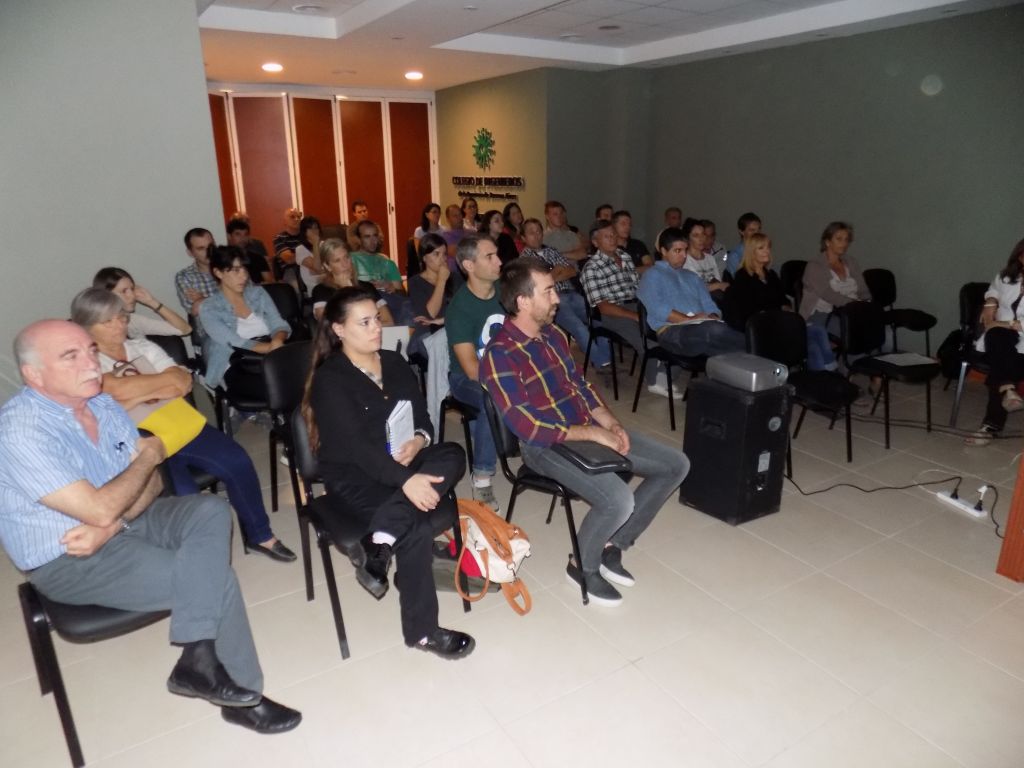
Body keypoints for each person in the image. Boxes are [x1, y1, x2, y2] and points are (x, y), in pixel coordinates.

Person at [0, 319, 301, 733]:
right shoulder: (20, 430)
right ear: (33, 375)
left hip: (123, 523)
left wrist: (113, 520)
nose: (90, 363)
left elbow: (153, 484)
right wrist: (147, 456)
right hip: (68, 557)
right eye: (71, 356)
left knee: (209, 510)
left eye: (90, 350)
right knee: (217, 580)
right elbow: (112, 496)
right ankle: (243, 697)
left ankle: (197, 657)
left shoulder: (102, 404)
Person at [481, 258, 689, 606]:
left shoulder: (553, 336)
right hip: (544, 446)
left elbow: (580, 386)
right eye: (548, 291)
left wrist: (610, 423)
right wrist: (593, 434)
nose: (557, 298)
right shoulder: (500, 355)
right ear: (523, 301)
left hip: (585, 430)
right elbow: (527, 426)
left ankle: (612, 544)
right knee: (618, 500)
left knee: (675, 465)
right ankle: (581, 566)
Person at [304, 288, 475, 658]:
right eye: (364, 322)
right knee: (416, 524)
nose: (376, 328)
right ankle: (423, 633)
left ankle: (380, 540)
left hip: (402, 460)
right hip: (354, 475)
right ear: (338, 330)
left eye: (376, 319)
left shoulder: (394, 362)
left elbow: (423, 415)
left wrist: (418, 439)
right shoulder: (330, 379)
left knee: (452, 453)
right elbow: (356, 449)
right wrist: (407, 481)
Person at [71, 288, 296, 562]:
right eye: (107, 322)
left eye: (121, 317)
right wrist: (154, 388)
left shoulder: (142, 346)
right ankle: (200, 560)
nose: (119, 325)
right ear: (86, 328)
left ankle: (260, 535)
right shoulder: (84, 365)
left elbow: (181, 382)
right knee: (186, 495)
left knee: (237, 461)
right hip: (138, 442)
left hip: (178, 424)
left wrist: (127, 395)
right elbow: (108, 396)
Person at [446, 235, 505, 508]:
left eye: (497, 254)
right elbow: (471, 369)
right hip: (465, 378)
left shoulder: (506, 293)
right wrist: (510, 381)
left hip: (505, 370)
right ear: (469, 265)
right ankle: (481, 477)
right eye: (490, 257)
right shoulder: (459, 308)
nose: (499, 261)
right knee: (492, 399)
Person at [580, 219, 671, 395]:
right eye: (607, 237)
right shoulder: (591, 268)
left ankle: (665, 373)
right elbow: (604, 307)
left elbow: (639, 288)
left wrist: (649, 307)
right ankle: (655, 381)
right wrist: (636, 317)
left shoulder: (625, 257)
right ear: (595, 242)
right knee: (646, 339)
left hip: (636, 305)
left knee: (670, 329)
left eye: (614, 235)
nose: (613, 239)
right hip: (612, 313)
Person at [722, 233, 837, 371]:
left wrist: (787, 308)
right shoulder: (743, 277)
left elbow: (782, 299)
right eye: (761, 248)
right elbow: (748, 310)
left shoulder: (771, 275)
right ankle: (828, 371)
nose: (767, 251)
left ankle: (825, 374)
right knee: (814, 336)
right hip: (764, 327)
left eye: (768, 247)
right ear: (751, 252)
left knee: (813, 341)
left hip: (779, 321)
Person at [636, 227, 746, 359]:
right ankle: (754, 348)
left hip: (701, 329)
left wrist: (713, 316)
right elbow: (658, 309)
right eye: (678, 250)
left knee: (728, 349)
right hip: (671, 331)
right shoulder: (652, 275)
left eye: (685, 250)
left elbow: (709, 304)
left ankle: (751, 355)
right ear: (664, 251)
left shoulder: (692, 276)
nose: (684, 255)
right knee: (716, 332)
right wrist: (689, 319)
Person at [198, 246, 291, 400]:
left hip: (272, 357)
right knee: (281, 388)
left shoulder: (258, 293)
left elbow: (278, 323)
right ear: (218, 273)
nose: (243, 276)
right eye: (236, 271)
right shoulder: (209, 308)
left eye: (244, 269)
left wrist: (278, 340)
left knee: (304, 380)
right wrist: (271, 348)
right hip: (238, 362)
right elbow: (234, 342)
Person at [520, 217, 611, 368]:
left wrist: (551, 275)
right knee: (579, 327)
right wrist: (557, 270)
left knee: (599, 319)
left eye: (538, 231)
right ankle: (601, 361)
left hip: (572, 293)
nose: (536, 235)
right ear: (523, 238)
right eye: (531, 233)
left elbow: (571, 271)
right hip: (553, 301)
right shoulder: (524, 259)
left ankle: (605, 358)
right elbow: (537, 285)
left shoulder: (551, 250)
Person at [966, 237, 1024, 446]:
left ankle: (991, 425)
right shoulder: (1007, 277)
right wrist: (991, 301)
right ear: (1020, 257)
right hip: (1002, 338)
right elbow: (993, 289)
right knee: (998, 340)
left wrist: (1002, 323)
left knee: (1003, 362)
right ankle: (1007, 389)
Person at [799, 221, 869, 328]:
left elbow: (862, 289)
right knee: (853, 328)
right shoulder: (815, 265)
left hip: (852, 311)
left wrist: (867, 304)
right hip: (822, 314)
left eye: (846, 240)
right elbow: (828, 294)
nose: (844, 244)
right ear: (827, 242)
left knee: (871, 324)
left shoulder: (851, 262)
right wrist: (856, 305)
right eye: (839, 239)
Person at [311, 237, 394, 324]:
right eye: (337, 260)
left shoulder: (367, 287)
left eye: (346, 257)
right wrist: (346, 290)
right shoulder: (321, 291)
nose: (345, 264)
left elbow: (388, 321)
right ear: (327, 266)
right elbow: (328, 325)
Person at [93, 266, 191, 339]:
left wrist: (152, 302)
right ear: (105, 295)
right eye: (124, 291)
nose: (132, 296)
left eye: (132, 289)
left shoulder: (134, 321)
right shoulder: (96, 328)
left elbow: (185, 329)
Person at [350, 220, 411, 323]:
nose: (373, 241)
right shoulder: (350, 259)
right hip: (361, 300)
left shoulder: (387, 263)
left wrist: (392, 287)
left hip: (387, 302)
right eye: (367, 237)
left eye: (375, 236)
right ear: (359, 239)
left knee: (408, 305)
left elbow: (402, 295)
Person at [407, 233, 453, 357]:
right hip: (429, 334)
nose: (442, 259)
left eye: (444, 254)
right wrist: (441, 281)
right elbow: (430, 315)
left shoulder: (455, 278)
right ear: (424, 258)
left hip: (452, 329)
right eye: (436, 254)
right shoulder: (415, 282)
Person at [174, 227, 218, 322]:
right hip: (207, 328)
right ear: (190, 253)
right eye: (201, 248)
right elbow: (195, 310)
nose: (208, 252)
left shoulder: (231, 268)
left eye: (211, 246)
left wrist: (203, 299)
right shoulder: (185, 277)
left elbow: (246, 301)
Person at [680, 218, 729, 302]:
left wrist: (718, 285)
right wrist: (717, 286)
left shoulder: (710, 258)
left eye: (703, 234)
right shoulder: (684, 260)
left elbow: (718, 281)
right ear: (688, 237)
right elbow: (691, 288)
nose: (701, 239)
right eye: (696, 235)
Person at [226, 217, 273, 284]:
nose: (243, 238)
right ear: (229, 236)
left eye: (246, 234)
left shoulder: (258, 258)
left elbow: (270, 283)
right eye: (238, 234)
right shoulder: (224, 258)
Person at [724, 212, 762, 277]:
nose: (757, 234)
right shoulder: (735, 256)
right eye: (752, 230)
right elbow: (739, 280)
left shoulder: (762, 251)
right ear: (741, 232)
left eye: (758, 230)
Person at [294, 215, 324, 295]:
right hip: (315, 287)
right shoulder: (300, 249)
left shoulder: (324, 245)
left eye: (316, 228)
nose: (314, 231)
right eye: (310, 228)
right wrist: (315, 244)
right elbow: (317, 268)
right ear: (304, 231)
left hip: (329, 281)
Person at [272, 207, 303, 278]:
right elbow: (289, 259)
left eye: (299, 217)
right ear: (285, 221)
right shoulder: (279, 238)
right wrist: (308, 255)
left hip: (308, 268)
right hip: (291, 271)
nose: (296, 219)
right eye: (292, 217)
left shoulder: (306, 236)